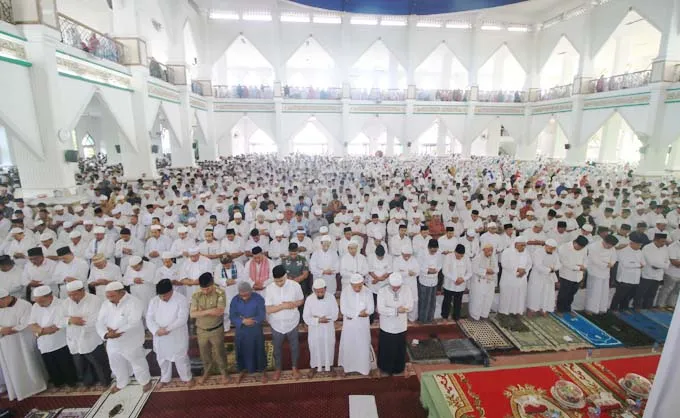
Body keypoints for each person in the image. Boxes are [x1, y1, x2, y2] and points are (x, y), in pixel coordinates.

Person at [96, 281, 152, 393]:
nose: (110, 299)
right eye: (108, 296)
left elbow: (133, 322)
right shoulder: (106, 304)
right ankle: (121, 382)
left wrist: (117, 332)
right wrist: (105, 334)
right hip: (112, 340)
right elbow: (99, 321)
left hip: (131, 339)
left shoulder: (134, 302)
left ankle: (145, 381)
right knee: (115, 363)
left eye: (112, 296)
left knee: (137, 362)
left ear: (121, 292)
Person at [61, 280, 110, 387]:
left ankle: (105, 382)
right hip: (74, 337)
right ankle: (88, 383)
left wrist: (75, 321)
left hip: (91, 336)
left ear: (83, 290)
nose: (72, 297)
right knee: (81, 363)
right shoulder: (65, 303)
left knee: (99, 362)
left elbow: (96, 319)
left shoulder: (94, 300)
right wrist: (70, 320)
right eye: (70, 295)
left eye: (75, 294)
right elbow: (59, 320)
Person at [0, 288, 47, 400]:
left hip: (23, 340)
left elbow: (27, 323)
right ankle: (18, 389)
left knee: (28, 363)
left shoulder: (24, 305)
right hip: (6, 342)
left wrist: (12, 329)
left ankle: (35, 387)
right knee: (13, 366)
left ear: (6, 298)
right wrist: (2, 330)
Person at [146, 279, 193, 388]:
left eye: (165, 295)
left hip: (176, 333)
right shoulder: (154, 301)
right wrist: (156, 330)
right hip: (160, 335)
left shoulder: (181, 299)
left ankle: (187, 378)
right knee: (162, 358)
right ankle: (165, 378)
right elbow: (149, 318)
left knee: (181, 358)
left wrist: (168, 329)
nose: (163, 298)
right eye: (160, 296)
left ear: (171, 291)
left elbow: (182, 318)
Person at [29, 285, 77, 387]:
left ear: (50, 297)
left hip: (60, 340)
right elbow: (32, 324)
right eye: (37, 301)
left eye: (41, 301)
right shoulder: (36, 306)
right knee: (51, 365)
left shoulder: (61, 304)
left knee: (65, 364)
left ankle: (72, 383)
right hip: (44, 342)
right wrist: (42, 331)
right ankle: (58, 383)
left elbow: (57, 326)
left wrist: (41, 331)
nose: (39, 304)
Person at [190, 272, 230, 384]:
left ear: (212, 284)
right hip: (201, 330)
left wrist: (201, 311)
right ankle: (206, 372)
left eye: (207, 288)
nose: (205, 291)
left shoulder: (220, 293)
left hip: (216, 329)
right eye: (203, 289)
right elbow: (192, 314)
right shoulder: (196, 294)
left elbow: (219, 311)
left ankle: (224, 373)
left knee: (220, 353)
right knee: (204, 354)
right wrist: (210, 311)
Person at [265, 265, 304, 381]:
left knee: (294, 346)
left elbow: (301, 301)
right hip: (276, 324)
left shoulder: (295, 286)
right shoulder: (269, 288)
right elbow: (268, 309)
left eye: (281, 280)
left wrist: (294, 304)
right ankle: (278, 369)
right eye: (277, 281)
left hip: (292, 322)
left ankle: (294, 368)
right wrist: (284, 306)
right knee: (276, 348)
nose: (279, 283)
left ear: (286, 276)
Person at [230, 281, 267, 384]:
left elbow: (262, 314)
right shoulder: (235, 300)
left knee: (259, 350)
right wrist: (242, 321)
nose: (244, 297)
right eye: (242, 295)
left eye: (247, 295)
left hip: (255, 329)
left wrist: (253, 320)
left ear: (251, 291)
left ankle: (262, 371)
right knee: (241, 350)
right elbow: (232, 315)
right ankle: (242, 370)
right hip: (241, 330)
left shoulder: (258, 298)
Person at [377, 273, 413, 376]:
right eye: (394, 287)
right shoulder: (382, 291)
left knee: (399, 347)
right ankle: (385, 368)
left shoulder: (407, 289)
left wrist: (401, 309)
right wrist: (396, 310)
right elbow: (381, 309)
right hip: (387, 325)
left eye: (398, 287)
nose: (396, 289)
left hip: (401, 325)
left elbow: (410, 306)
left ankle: (398, 368)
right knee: (386, 348)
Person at [338, 273, 374, 377]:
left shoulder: (368, 292)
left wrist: (359, 313)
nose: (357, 289)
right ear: (351, 284)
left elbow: (371, 308)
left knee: (363, 345)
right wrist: (358, 313)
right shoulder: (345, 292)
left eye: (360, 286)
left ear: (362, 283)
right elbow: (344, 310)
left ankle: (364, 369)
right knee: (349, 345)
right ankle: (347, 368)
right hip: (350, 326)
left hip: (363, 325)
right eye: (355, 287)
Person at [302, 278, 339, 378]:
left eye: (322, 292)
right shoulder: (309, 299)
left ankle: (329, 366)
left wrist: (324, 318)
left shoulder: (331, 297)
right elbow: (306, 317)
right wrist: (318, 320)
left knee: (329, 346)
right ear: (314, 290)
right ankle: (314, 366)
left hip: (328, 328)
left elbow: (335, 314)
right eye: (317, 292)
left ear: (325, 289)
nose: (320, 294)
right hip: (315, 329)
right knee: (314, 347)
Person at [611, 232, 646, 310]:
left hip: (635, 278)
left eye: (640, 245)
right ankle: (613, 309)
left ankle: (623, 309)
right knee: (619, 296)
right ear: (632, 243)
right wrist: (638, 265)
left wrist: (634, 264)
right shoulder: (624, 251)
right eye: (638, 245)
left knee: (628, 296)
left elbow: (644, 263)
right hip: (625, 278)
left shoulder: (640, 251)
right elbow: (626, 264)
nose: (639, 246)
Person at [498, 236, 533, 315]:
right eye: (522, 245)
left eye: (524, 245)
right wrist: (517, 270)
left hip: (522, 278)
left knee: (519, 296)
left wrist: (524, 271)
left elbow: (529, 263)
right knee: (507, 296)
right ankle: (504, 313)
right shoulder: (507, 252)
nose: (523, 247)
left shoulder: (526, 252)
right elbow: (504, 264)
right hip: (509, 278)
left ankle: (517, 312)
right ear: (516, 244)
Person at [585, 235, 618, 314]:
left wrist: (611, 264)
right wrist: (606, 264)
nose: (610, 247)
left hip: (606, 272)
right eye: (609, 245)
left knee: (604, 292)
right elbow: (594, 259)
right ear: (605, 241)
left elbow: (614, 258)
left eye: (611, 246)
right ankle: (590, 309)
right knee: (594, 291)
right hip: (595, 271)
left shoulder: (612, 248)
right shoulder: (593, 246)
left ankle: (601, 308)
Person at [526, 239, 561, 316]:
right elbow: (538, 265)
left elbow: (558, 264)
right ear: (546, 246)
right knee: (535, 292)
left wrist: (554, 268)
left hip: (549, 277)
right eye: (550, 248)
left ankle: (544, 309)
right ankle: (532, 309)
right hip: (538, 276)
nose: (551, 250)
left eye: (553, 249)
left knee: (547, 293)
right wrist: (549, 270)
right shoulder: (538, 252)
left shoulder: (555, 254)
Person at [556, 236, 589, 314]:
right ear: (575, 242)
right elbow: (564, 262)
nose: (580, 249)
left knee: (572, 293)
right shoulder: (564, 248)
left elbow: (586, 259)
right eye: (579, 247)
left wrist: (584, 266)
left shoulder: (584, 248)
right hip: (566, 275)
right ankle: (559, 309)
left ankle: (568, 308)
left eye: (582, 247)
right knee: (563, 293)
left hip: (578, 276)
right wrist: (578, 268)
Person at [637, 233, 670, 309]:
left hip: (658, 275)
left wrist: (660, 266)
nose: (663, 243)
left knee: (652, 293)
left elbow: (667, 262)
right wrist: (663, 265)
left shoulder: (665, 248)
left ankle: (648, 308)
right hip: (647, 274)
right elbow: (652, 262)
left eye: (664, 241)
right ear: (656, 240)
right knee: (641, 293)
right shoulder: (647, 247)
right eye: (662, 241)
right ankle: (637, 307)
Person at [441, 244, 471, 321]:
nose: (460, 257)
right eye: (458, 255)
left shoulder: (466, 258)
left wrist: (463, 279)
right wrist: (455, 279)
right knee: (447, 301)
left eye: (461, 256)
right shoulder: (448, 257)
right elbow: (445, 271)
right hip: (449, 284)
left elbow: (470, 272)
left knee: (458, 302)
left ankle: (456, 317)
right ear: (455, 252)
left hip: (461, 284)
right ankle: (444, 317)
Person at [468, 243, 498, 320]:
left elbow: (497, 269)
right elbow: (474, 269)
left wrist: (493, 271)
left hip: (490, 282)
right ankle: (474, 316)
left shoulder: (493, 258)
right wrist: (485, 271)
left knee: (488, 299)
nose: (490, 252)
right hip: (479, 282)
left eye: (491, 251)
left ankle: (484, 315)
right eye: (488, 250)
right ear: (484, 250)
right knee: (478, 299)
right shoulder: (477, 258)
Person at [417, 239, 443, 323]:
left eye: (435, 251)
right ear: (428, 248)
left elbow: (440, 265)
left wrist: (436, 270)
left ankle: (430, 318)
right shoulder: (422, 253)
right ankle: (422, 319)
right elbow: (419, 265)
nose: (433, 252)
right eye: (432, 251)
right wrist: (428, 270)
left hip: (434, 280)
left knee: (432, 301)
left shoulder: (438, 254)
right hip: (424, 280)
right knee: (424, 301)